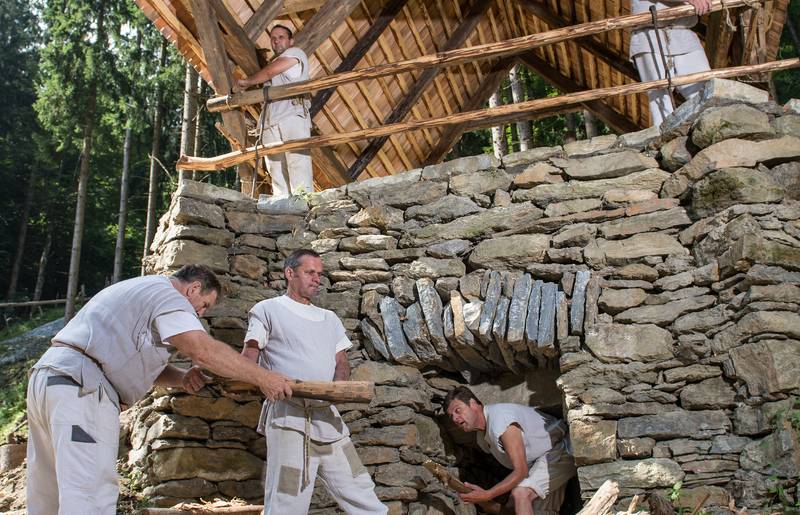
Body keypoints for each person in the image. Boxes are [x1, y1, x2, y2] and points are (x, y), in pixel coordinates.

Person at [26, 264, 292, 514]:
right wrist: (264, 377)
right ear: (193, 288)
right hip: (83, 389)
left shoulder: (142, 292)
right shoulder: (168, 296)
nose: (199, 314)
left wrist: (182, 378)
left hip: (54, 379)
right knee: (89, 492)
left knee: (49, 493)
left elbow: (132, 359)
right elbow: (203, 350)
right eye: (204, 306)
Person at [242, 249, 386, 515]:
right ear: (289, 273)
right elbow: (249, 357)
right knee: (287, 499)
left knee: (359, 487)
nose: (317, 279)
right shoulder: (267, 310)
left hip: (328, 419)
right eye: (310, 272)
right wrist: (262, 380)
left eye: (319, 274)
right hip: (289, 419)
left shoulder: (329, 318)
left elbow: (341, 362)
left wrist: (337, 391)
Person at [444, 387, 576, 515]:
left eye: (458, 410)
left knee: (521, 493)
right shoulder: (482, 439)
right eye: (451, 416)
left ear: (473, 404)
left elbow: (521, 471)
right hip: (540, 464)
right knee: (525, 507)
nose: (455, 419)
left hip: (561, 448)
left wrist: (487, 494)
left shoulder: (500, 420)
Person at [237, 24, 312, 198]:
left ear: (291, 40)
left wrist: (246, 82)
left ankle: (304, 204)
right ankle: (282, 204)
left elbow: (270, 72)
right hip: (271, 121)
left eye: (281, 37)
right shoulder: (274, 63)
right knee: (275, 167)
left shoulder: (296, 53)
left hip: (293, 116)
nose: (276, 40)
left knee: (298, 162)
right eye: (273, 38)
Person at [630, 0, 712, 126]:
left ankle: (709, 137)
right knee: (662, 104)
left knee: (707, 93)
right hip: (649, 34)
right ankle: (667, 141)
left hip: (685, 32)